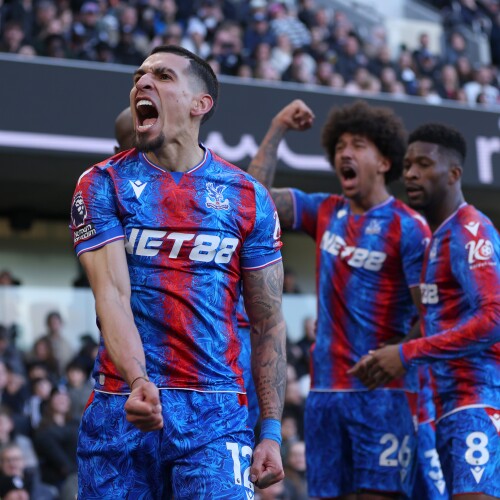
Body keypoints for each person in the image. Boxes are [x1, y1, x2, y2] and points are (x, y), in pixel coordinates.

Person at [69, 44, 287, 498]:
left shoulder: (248, 196)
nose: (143, 83)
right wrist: (138, 381)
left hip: (216, 412)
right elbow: (112, 296)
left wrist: (270, 430)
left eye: (163, 76)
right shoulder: (102, 183)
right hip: (122, 406)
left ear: (200, 104)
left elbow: (267, 322)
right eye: (139, 77)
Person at [247, 99, 431, 499]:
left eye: (358, 145)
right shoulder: (326, 211)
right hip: (325, 395)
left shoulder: (409, 227)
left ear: (384, 161)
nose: (345, 153)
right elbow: (252, 202)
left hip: (384, 394)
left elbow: (432, 314)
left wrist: (399, 353)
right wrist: (277, 126)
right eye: (340, 145)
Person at [352, 123, 500, 499]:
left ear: (454, 174)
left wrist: (406, 354)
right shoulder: (437, 238)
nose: (411, 174)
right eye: (407, 165)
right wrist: (392, 352)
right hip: (450, 405)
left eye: (424, 164)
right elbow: (441, 321)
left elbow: (494, 318)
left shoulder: (470, 232)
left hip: (481, 401)